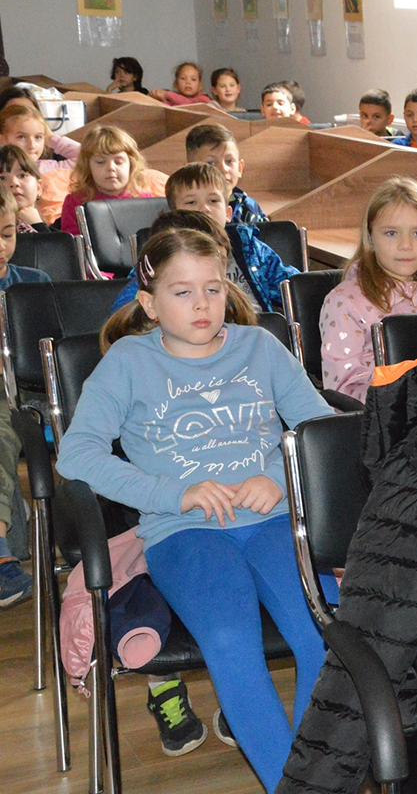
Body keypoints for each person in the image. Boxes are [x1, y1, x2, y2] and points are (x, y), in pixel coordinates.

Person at [55, 227, 333, 789]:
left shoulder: (259, 347)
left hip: (276, 521)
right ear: (149, 304)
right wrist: (173, 493)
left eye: (213, 288)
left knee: (324, 639)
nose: (202, 304)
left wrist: (279, 477)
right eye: (182, 292)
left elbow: (320, 427)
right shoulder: (128, 361)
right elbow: (76, 455)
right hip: (184, 532)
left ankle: (315, 779)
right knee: (232, 643)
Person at [320, 176, 417, 401]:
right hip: (384, 417)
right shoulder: (345, 302)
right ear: (370, 238)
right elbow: (343, 390)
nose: (406, 245)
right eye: (391, 233)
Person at [111, 163, 298, 312]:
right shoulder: (161, 253)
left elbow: (293, 286)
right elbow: (127, 305)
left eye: (213, 201)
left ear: (228, 213)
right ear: (175, 214)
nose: (204, 208)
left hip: (254, 333)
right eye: (192, 202)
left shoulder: (251, 249)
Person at [0, 187, 43, 608]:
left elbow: (49, 362)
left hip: (27, 395)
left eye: (8, 233)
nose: (1, 246)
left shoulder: (33, 284)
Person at [59, 125, 167, 235]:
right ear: (88, 166)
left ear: (131, 165)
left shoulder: (144, 200)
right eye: (100, 162)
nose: (111, 168)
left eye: (118, 162)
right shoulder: (75, 202)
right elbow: (73, 240)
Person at [183, 122, 268, 224]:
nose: (223, 169)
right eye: (210, 163)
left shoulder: (249, 208)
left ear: (240, 168)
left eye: (229, 161)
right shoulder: (186, 208)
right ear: (190, 170)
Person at [0, 102, 81, 172]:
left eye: (38, 137)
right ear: (2, 139)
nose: (32, 145)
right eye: (21, 137)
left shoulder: (49, 168)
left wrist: (51, 138)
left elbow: (85, 157)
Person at [0, 145, 55, 232]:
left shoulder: (54, 232)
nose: (14, 183)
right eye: (2, 178)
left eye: (22, 175)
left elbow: (57, 241)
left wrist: (38, 225)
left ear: (39, 187)